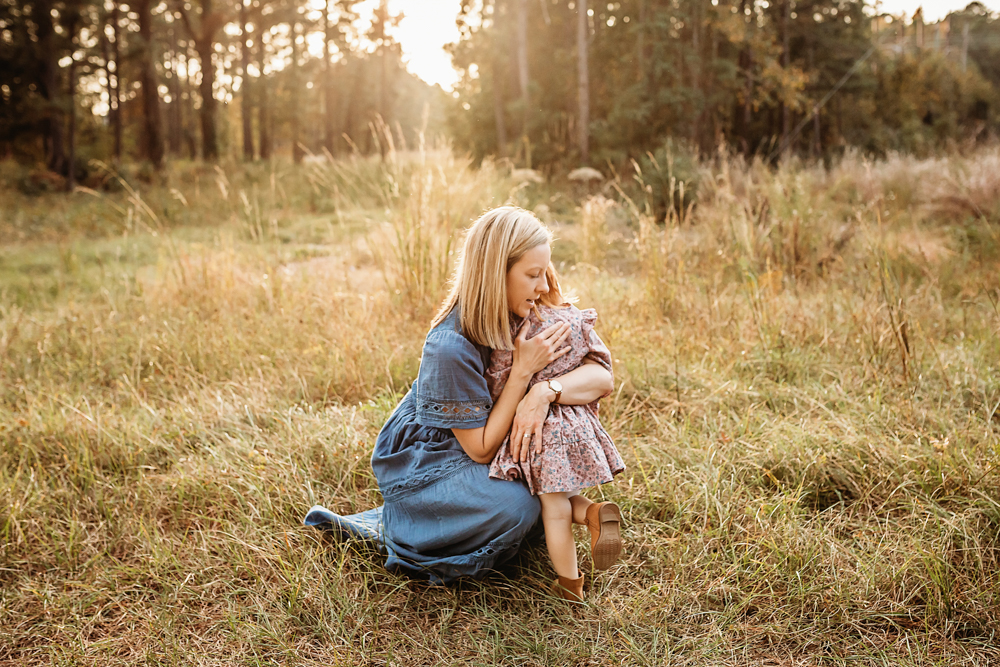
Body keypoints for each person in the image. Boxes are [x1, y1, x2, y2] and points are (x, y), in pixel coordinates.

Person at [304, 206, 617, 589]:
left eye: (545, 273)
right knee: (521, 503)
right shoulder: (449, 346)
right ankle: (433, 524)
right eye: (532, 275)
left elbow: (601, 376)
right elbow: (481, 450)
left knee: (544, 483)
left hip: (496, 444)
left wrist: (544, 391)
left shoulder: (530, 311)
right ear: (495, 273)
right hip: (432, 461)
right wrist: (521, 373)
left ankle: (537, 517)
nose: (542, 287)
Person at [486, 300, 624, 602]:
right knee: (559, 494)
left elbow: (497, 383)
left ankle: (569, 584)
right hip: (575, 420)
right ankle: (594, 512)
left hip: (538, 428)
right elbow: (598, 364)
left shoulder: (515, 330)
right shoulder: (573, 317)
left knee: (555, 510)